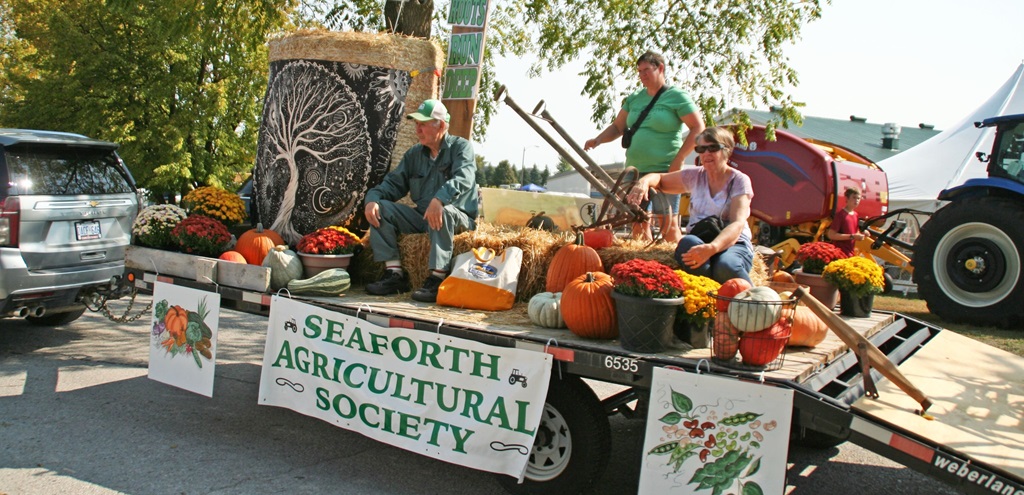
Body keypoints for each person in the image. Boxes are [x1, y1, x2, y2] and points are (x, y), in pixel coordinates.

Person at [363, 99, 479, 303]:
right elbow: (393, 183)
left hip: (458, 218)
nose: (417, 129)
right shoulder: (414, 154)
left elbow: (464, 178)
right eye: (416, 124)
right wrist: (372, 199)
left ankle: (437, 278)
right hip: (423, 216)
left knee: (443, 211)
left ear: (441, 125)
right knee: (381, 209)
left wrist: (440, 199)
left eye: (423, 124)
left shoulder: (461, 147)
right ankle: (394, 274)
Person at [583, 50, 704, 243]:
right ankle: (643, 258)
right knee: (637, 220)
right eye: (639, 71)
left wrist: (679, 159)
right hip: (635, 171)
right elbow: (618, 127)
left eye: (646, 70)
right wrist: (598, 140)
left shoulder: (676, 96)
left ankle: (676, 257)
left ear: (660, 68)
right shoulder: (634, 98)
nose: (642, 75)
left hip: (664, 170)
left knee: (667, 222)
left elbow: (698, 127)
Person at [630, 126, 755, 283]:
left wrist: (713, 248)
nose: (706, 153)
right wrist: (644, 182)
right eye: (701, 149)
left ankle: (753, 296)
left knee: (725, 266)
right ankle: (708, 291)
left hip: (733, 243)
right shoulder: (695, 176)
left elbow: (737, 223)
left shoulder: (739, 180)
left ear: (727, 150)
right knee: (688, 244)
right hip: (700, 238)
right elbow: (660, 179)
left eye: (713, 148)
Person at [827, 186, 870, 257]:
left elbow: (854, 232)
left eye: (858, 198)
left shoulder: (855, 215)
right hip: (840, 254)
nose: (856, 200)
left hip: (850, 253)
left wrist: (863, 233)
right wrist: (852, 236)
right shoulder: (840, 215)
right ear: (847, 198)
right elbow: (831, 235)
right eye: (854, 197)